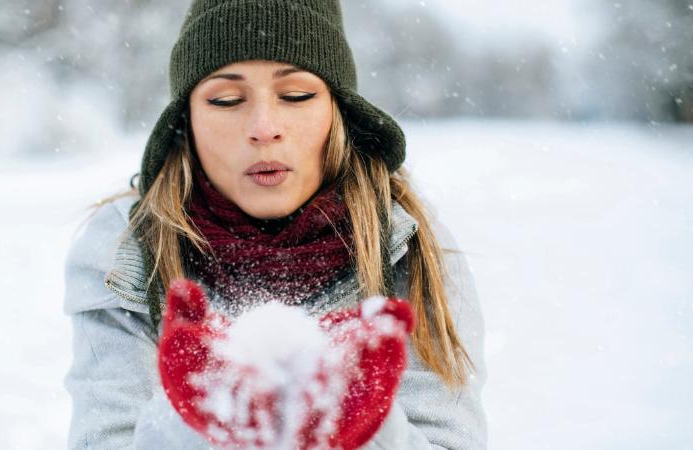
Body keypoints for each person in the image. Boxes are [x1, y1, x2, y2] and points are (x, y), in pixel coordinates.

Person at [62, 0, 488, 448]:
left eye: (296, 95)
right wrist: (194, 421)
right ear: (186, 122)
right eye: (226, 100)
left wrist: (361, 423)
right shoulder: (124, 252)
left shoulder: (410, 245)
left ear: (338, 112)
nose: (264, 128)